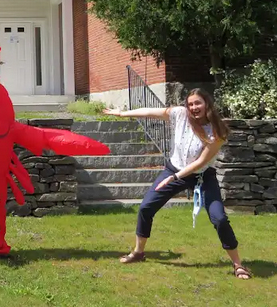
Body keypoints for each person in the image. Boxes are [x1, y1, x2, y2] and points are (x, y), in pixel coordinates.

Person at [103, 88, 251, 279]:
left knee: (219, 218)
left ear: (207, 104)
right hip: (174, 169)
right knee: (146, 207)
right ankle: (139, 252)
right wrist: (123, 113)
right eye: (190, 104)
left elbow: (200, 163)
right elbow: (150, 112)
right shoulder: (180, 115)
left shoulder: (217, 131)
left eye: (197, 103)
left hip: (202, 176)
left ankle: (238, 264)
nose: (193, 107)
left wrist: (174, 178)